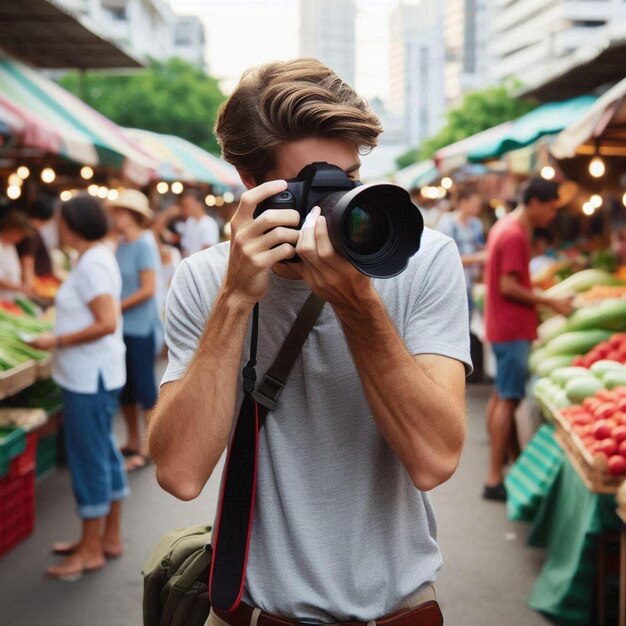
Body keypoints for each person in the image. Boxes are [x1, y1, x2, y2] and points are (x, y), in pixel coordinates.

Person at [148, 58, 470, 626]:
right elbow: (179, 473)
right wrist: (234, 302)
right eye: (311, 187)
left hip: (398, 612)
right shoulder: (205, 279)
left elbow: (434, 459)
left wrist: (358, 305)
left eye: (346, 182)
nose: (335, 204)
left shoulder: (422, 259)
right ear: (253, 185)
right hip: (259, 612)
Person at [29, 195, 128, 580]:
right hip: (94, 375)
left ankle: (90, 551)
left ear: (73, 224)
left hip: (90, 378)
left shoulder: (92, 264)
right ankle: (108, 538)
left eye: (61, 221)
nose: (57, 226)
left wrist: (56, 341)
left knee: (89, 459)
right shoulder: (94, 258)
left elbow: (106, 321)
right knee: (102, 452)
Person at [483, 178, 573, 501]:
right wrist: (551, 302)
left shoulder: (504, 227)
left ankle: (503, 463)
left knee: (501, 396)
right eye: (551, 208)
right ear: (535, 202)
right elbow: (508, 286)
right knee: (509, 398)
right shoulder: (515, 235)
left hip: (502, 325)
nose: (552, 215)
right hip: (512, 328)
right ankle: (494, 476)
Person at [109, 189, 160, 472]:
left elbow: (148, 289)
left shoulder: (144, 244)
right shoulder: (119, 243)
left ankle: (149, 447)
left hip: (139, 326)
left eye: (119, 211)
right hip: (120, 328)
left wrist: (116, 306)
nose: (115, 215)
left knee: (144, 387)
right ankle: (132, 440)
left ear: (131, 215)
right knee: (126, 389)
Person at [437, 187, 485, 317]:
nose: (478, 207)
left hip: (471, 281)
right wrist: (479, 258)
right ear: (464, 201)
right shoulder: (447, 222)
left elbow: (480, 247)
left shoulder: (476, 224)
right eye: (475, 203)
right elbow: (446, 258)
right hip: (453, 283)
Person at [0, 210, 34, 300]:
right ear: (12, 229)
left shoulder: (10, 246)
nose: (20, 239)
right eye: (20, 235)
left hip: (10, 298)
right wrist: (19, 287)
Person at [176, 189, 220, 257]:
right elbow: (185, 249)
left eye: (188, 205)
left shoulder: (209, 223)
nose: (185, 208)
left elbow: (207, 249)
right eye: (184, 206)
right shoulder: (190, 222)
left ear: (199, 205)